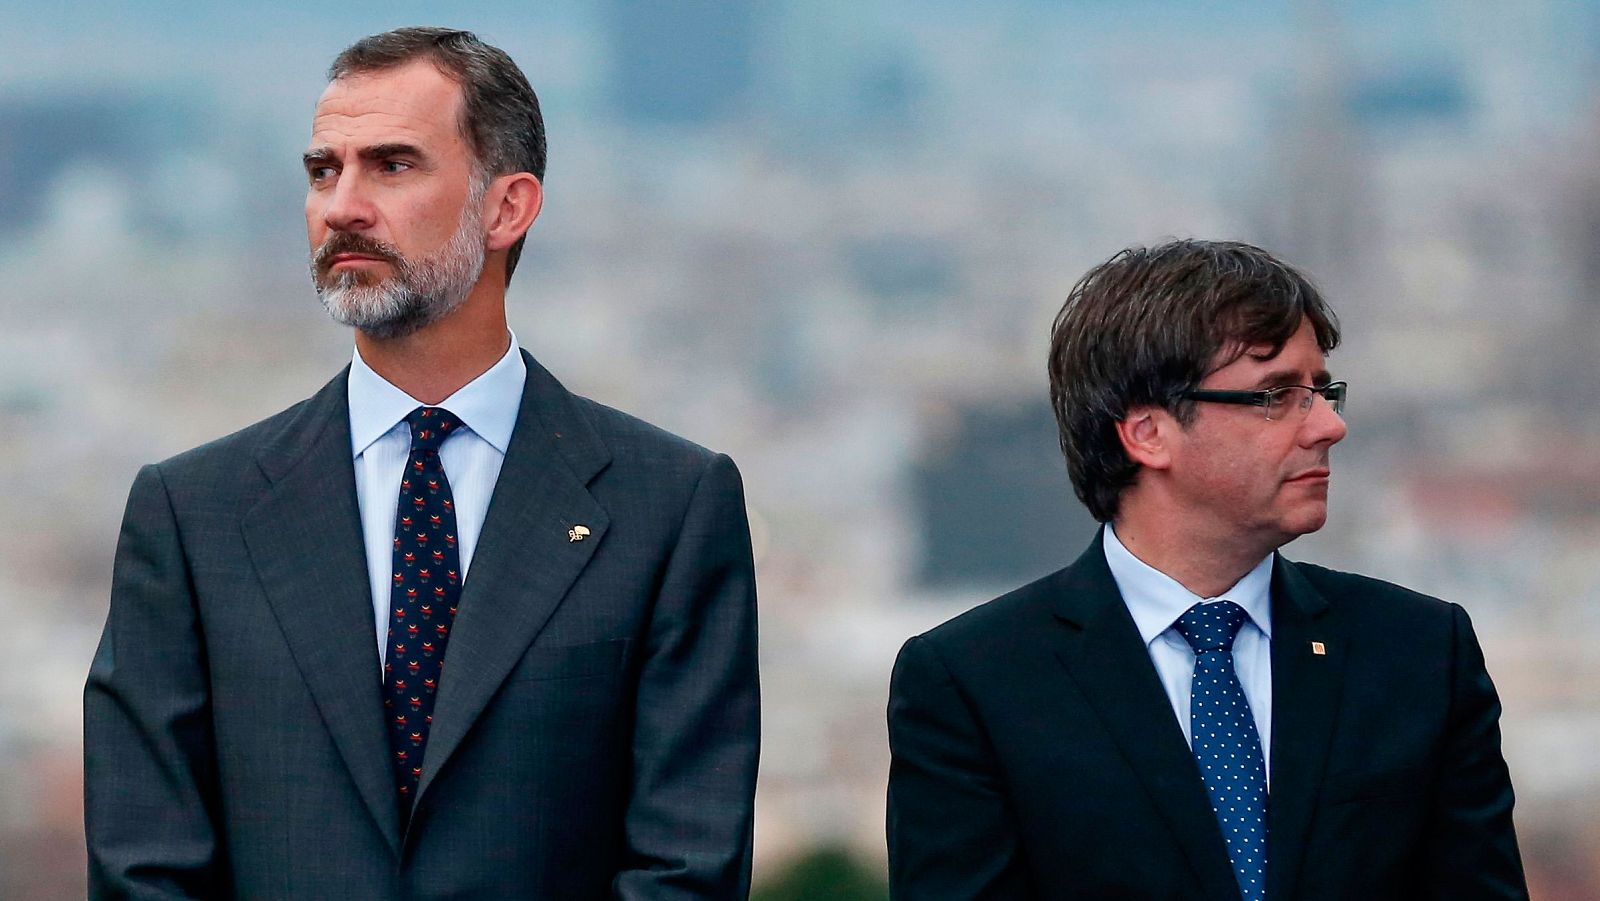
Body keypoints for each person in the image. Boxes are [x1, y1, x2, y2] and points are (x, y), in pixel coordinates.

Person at [85, 27, 759, 899]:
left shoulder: (668, 505)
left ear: (507, 207)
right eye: (325, 171)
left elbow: (688, 868)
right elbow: (144, 867)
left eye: (393, 166)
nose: (343, 206)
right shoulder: (192, 513)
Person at [886, 239, 1526, 900]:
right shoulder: (975, 682)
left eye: (1322, 389)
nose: (1330, 424)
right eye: (1278, 395)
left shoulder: (1419, 652)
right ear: (1147, 432)